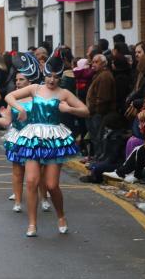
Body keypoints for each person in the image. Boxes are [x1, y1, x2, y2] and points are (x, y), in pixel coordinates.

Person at [5, 55, 89, 237]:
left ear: (60, 77)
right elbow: (10, 96)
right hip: (33, 137)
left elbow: (85, 110)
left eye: (56, 77)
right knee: (31, 181)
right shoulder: (34, 88)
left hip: (53, 139)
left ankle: (61, 216)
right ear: (44, 74)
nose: (51, 80)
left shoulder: (64, 93)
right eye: (49, 76)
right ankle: (32, 224)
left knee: (51, 185)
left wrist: (70, 110)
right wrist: (20, 109)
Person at [0, 52, 42, 213]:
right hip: (17, 137)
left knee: (35, 175)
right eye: (17, 80)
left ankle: (44, 197)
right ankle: (18, 202)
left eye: (21, 80)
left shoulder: (38, 99)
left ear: (30, 81)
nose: (18, 83)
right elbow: (7, 122)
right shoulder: (13, 99)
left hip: (34, 139)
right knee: (17, 172)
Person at [85, 54, 116, 160]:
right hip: (94, 113)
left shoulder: (105, 76)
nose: (93, 64)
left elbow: (103, 98)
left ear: (103, 64)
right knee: (95, 138)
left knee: (99, 138)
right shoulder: (99, 75)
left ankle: (99, 159)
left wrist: (94, 110)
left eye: (96, 62)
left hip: (99, 114)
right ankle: (96, 157)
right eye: (92, 62)